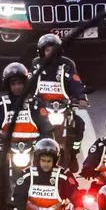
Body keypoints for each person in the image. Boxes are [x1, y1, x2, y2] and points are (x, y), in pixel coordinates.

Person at [0, 62, 52, 209]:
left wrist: (46, 139)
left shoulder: (35, 104)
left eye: (20, 83)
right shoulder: (0, 104)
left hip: (34, 148)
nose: (17, 87)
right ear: (8, 86)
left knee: (50, 164)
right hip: (8, 148)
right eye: (14, 84)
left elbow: (45, 126)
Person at [32, 34, 88, 165]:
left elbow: (75, 82)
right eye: (47, 50)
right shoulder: (36, 65)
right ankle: (34, 155)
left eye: (53, 50)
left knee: (79, 125)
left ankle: (73, 154)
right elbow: (30, 82)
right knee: (33, 127)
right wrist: (26, 97)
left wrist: (81, 98)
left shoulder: (67, 65)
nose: (50, 53)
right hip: (43, 108)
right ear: (41, 51)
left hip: (63, 108)